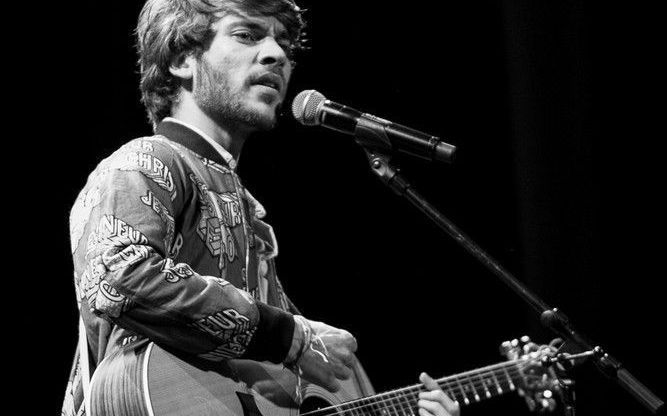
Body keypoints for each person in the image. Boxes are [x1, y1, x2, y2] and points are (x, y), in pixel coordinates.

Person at [61, 1, 460, 416]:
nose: (277, 55)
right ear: (182, 60)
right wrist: (288, 337)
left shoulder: (246, 212)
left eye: (284, 44)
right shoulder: (146, 161)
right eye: (247, 35)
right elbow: (118, 277)